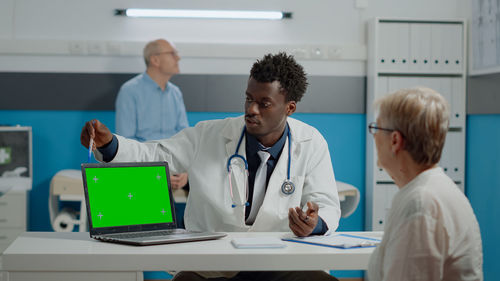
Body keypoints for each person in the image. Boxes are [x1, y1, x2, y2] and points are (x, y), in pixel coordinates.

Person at [81, 53, 341, 281]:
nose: (251, 109)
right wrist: (110, 145)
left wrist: (314, 224)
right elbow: (154, 153)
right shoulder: (210, 134)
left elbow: (326, 204)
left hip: (278, 261)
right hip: (212, 265)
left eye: (264, 103)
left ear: (290, 108)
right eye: (248, 98)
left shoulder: (310, 142)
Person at [366, 87, 483, 281]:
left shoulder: (421, 203)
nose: (374, 136)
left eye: (376, 128)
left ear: (395, 140)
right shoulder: (433, 188)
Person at [115, 38, 188, 190]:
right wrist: (157, 172)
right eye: (172, 54)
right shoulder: (130, 91)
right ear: (155, 59)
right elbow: (127, 144)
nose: (178, 57)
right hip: (143, 167)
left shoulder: (175, 93)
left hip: (174, 165)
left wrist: (185, 171)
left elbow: (186, 137)